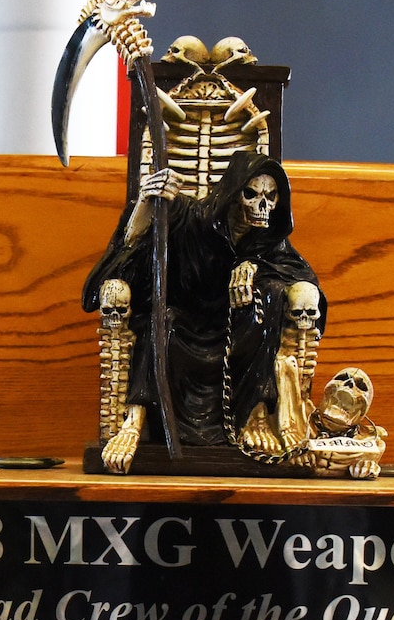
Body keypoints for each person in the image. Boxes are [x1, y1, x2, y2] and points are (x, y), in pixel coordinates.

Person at [82, 153, 323, 471]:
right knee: (161, 323)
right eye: (251, 194)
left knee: (272, 297)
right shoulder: (190, 216)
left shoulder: (268, 241)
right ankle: (134, 420)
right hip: (184, 326)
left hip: (236, 335)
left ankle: (255, 414)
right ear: (234, 192)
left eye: (271, 197)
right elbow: (134, 249)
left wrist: (256, 270)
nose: (262, 206)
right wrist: (146, 200)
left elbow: (301, 277)